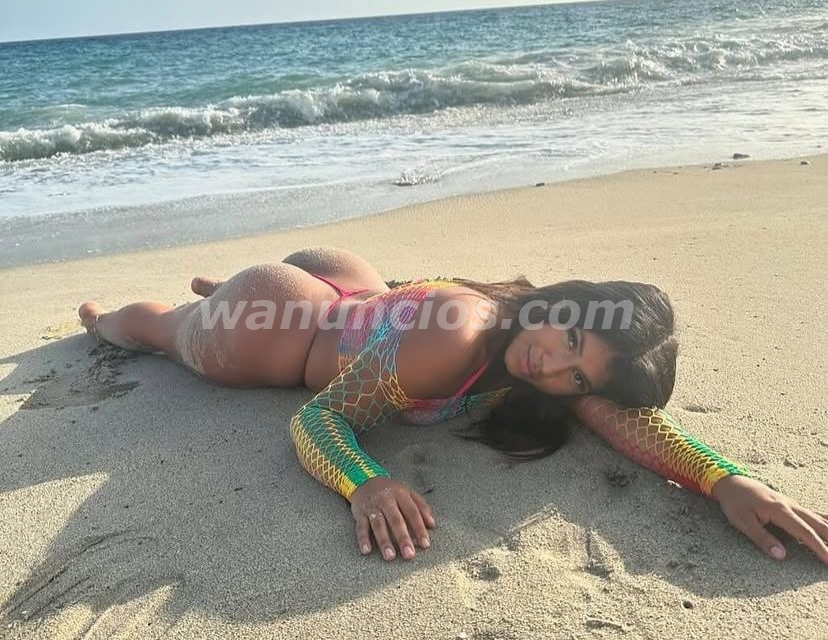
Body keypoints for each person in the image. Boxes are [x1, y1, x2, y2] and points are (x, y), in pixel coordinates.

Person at [78, 246, 828, 564]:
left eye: (576, 376)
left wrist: (724, 478)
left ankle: (229, 289)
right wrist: (366, 481)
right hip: (277, 337)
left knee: (233, 300)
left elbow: (618, 413)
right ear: (571, 306)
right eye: (568, 338)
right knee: (161, 331)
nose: (552, 364)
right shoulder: (463, 333)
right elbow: (318, 417)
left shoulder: (533, 347)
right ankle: (101, 317)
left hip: (356, 286)